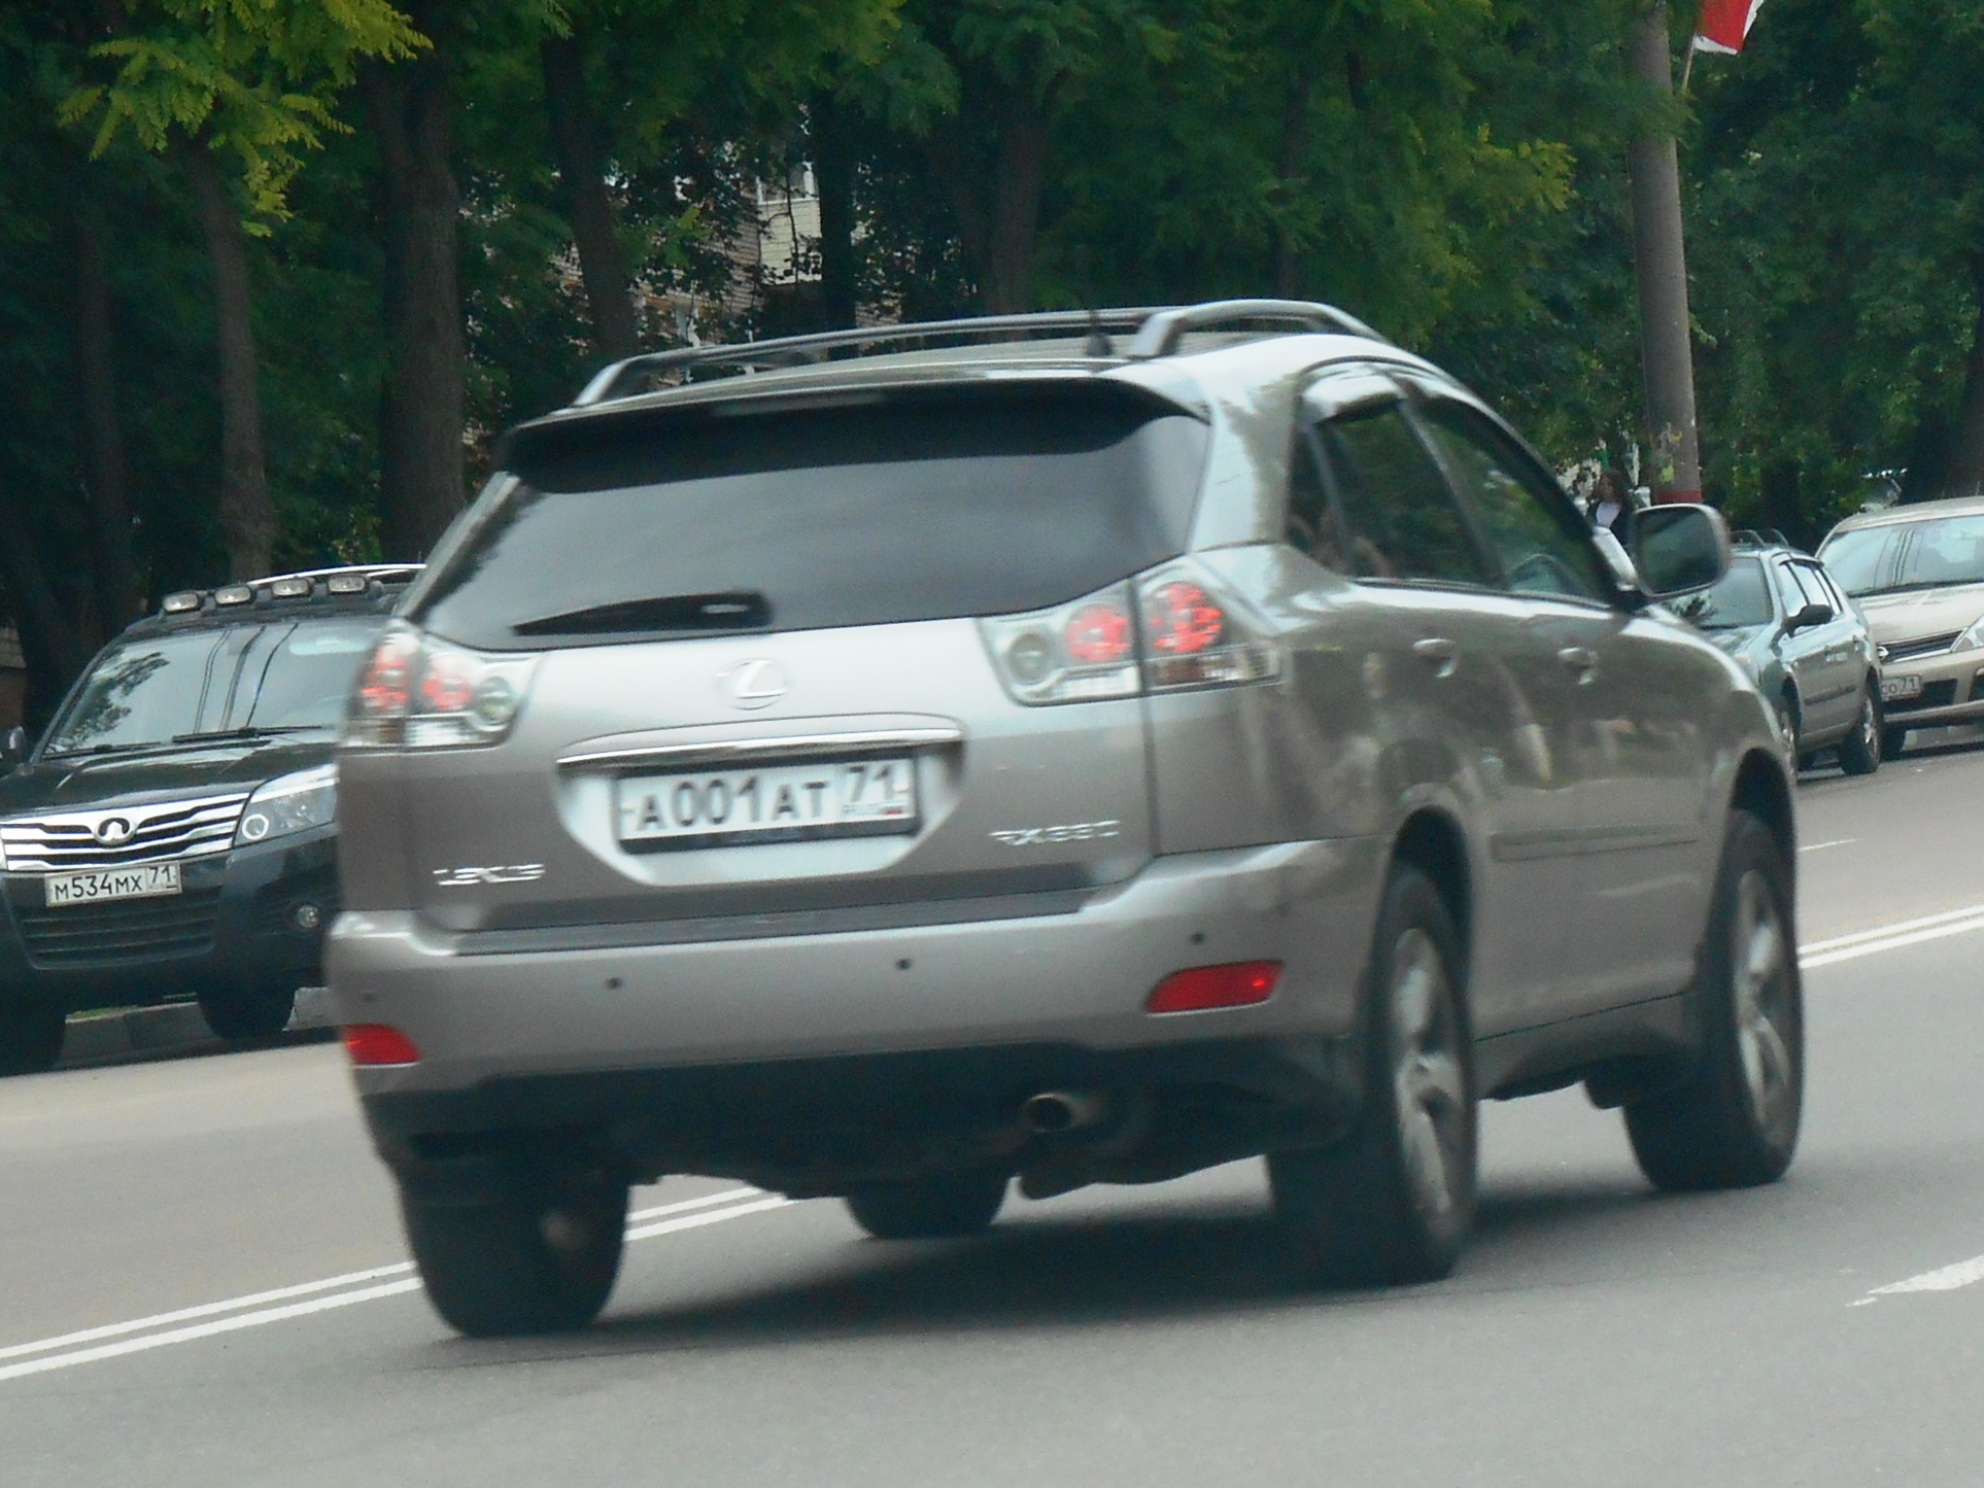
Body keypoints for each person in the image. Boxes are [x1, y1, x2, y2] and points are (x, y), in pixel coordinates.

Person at [1589, 470, 1632, 542]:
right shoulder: (1593, 509)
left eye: (1609, 485)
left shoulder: (1626, 512)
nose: (1604, 488)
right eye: (1602, 484)